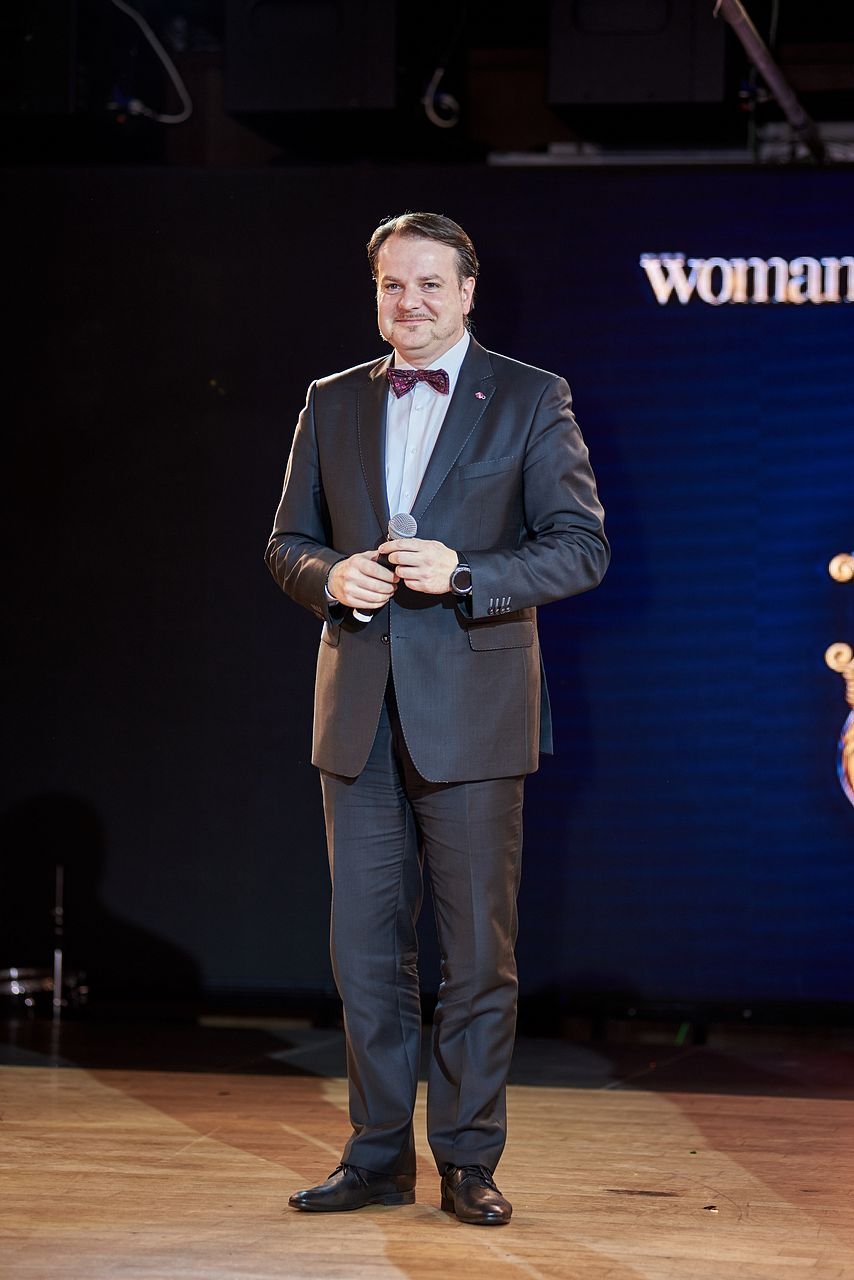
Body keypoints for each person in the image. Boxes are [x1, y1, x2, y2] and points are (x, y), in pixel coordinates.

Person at [265, 211, 609, 1226]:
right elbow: (287, 542)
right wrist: (332, 576)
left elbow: (580, 547)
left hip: (474, 710)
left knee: (475, 956)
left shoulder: (531, 396)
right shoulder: (330, 400)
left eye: (426, 283)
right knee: (365, 953)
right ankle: (377, 1155)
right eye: (390, 284)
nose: (406, 301)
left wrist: (464, 573)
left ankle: (466, 1158)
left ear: (465, 292)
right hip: (357, 711)